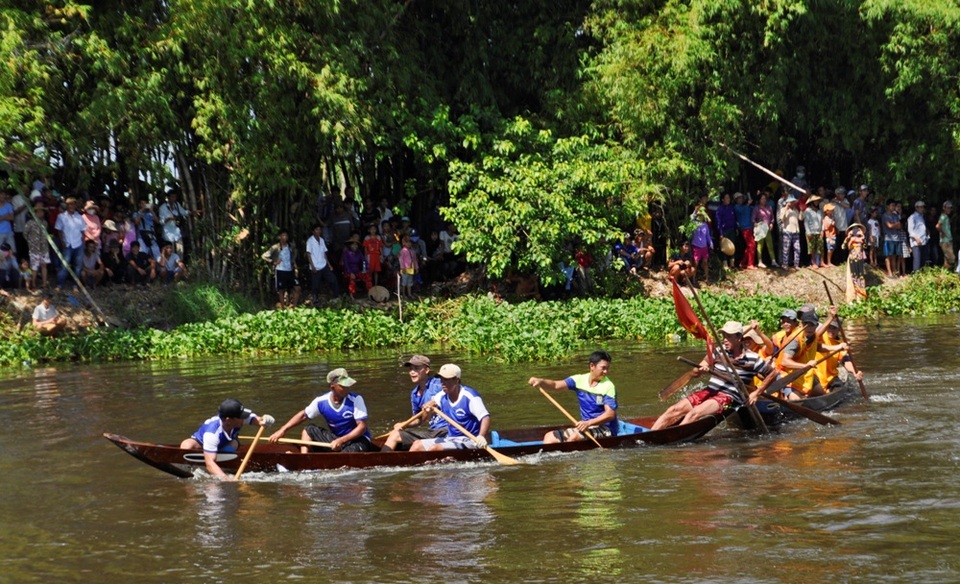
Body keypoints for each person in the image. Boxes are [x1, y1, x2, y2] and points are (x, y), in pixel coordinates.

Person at [650, 321, 773, 430]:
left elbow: (773, 373)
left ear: (739, 337)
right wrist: (700, 370)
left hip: (729, 398)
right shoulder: (719, 351)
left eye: (729, 336)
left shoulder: (752, 358)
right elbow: (696, 370)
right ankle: (652, 434)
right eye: (724, 336)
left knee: (694, 414)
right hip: (710, 391)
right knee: (673, 410)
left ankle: (673, 438)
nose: (725, 339)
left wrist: (757, 393)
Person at [268, 368, 376, 453]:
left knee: (346, 454)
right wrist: (282, 430)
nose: (348, 388)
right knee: (308, 429)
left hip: (358, 440)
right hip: (336, 440)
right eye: (344, 386)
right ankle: (303, 459)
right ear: (333, 387)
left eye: (348, 385)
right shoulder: (321, 401)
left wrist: (342, 440)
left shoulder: (356, 399)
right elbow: (303, 415)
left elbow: (362, 427)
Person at [528, 350, 618, 443]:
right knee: (549, 437)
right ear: (592, 366)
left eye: (607, 368)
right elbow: (556, 385)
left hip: (606, 429)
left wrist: (588, 423)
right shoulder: (578, 380)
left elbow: (610, 415)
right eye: (603, 368)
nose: (606, 371)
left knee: (574, 438)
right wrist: (541, 381)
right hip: (585, 426)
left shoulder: (608, 386)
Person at [179, 398, 274, 481]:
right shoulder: (212, 434)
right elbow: (210, 464)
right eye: (241, 417)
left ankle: (225, 461)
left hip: (226, 444)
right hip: (201, 444)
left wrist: (264, 420)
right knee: (186, 445)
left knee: (234, 444)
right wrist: (227, 479)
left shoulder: (237, 418)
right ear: (228, 420)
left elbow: (257, 420)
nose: (244, 419)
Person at [410, 364, 491, 451]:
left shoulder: (470, 397)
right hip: (451, 438)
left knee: (435, 448)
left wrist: (481, 436)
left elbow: (485, 417)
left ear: (457, 380)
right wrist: (427, 410)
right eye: (441, 379)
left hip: (471, 440)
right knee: (417, 445)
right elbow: (426, 418)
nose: (442, 383)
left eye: (446, 380)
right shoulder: (440, 396)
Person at [380, 355, 447, 452]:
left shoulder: (438, 384)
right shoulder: (414, 394)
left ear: (427, 370)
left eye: (416, 368)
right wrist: (404, 424)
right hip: (432, 431)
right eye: (410, 369)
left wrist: (435, 401)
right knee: (394, 435)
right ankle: (382, 462)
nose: (412, 372)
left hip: (447, 430)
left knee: (416, 445)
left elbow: (455, 389)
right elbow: (418, 419)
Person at [261, 229, 300, 308]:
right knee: (281, 290)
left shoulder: (290, 246)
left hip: (289, 270)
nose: (285, 237)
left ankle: (294, 307)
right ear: (280, 237)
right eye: (283, 235)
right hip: (280, 270)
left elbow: (295, 253)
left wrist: (294, 264)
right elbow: (264, 256)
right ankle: (282, 308)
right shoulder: (275, 247)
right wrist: (273, 261)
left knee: (297, 288)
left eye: (286, 235)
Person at [55, 197, 86, 288]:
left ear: (75, 205)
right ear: (66, 205)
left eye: (73, 204)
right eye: (69, 204)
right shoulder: (61, 216)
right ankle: (60, 284)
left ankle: (75, 285)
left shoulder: (80, 217)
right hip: (67, 243)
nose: (71, 206)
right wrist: (62, 242)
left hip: (78, 244)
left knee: (78, 266)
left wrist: (83, 243)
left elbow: (83, 231)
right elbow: (59, 231)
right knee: (64, 265)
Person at [306, 222, 339, 303]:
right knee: (315, 285)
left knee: (333, 279)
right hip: (315, 266)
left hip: (323, 264)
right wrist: (312, 266)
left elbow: (324, 253)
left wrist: (329, 264)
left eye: (319, 229)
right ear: (313, 231)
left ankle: (336, 296)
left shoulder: (322, 240)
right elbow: (308, 254)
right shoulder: (310, 241)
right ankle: (315, 299)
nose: (319, 231)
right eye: (317, 229)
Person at [24, 200, 50, 289]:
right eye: (38, 212)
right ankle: (33, 284)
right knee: (34, 267)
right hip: (34, 248)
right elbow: (25, 234)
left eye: (41, 211)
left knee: (44, 265)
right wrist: (31, 242)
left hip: (44, 247)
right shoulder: (30, 223)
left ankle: (44, 283)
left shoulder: (45, 223)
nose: (40, 213)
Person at [882, 198, 903, 278]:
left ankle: (895, 271)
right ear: (888, 206)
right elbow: (889, 226)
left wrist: (894, 225)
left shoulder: (896, 215)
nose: (894, 207)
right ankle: (889, 272)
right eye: (892, 205)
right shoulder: (885, 216)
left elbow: (900, 226)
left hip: (896, 238)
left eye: (894, 205)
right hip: (888, 238)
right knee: (888, 255)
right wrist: (895, 224)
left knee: (894, 255)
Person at [779, 194, 801, 268]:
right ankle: (785, 264)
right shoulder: (783, 209)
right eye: (791, 202)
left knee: (797, 248)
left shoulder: (795, 210)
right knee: (786, 248)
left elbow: (800, 218)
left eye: (793, 202)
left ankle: (796, 264)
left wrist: (801, 210)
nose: (792, 203)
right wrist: (786, 208)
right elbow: (782, 219)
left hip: (796, 231)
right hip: (787, 230)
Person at [803, 195, 824, 268]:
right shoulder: (808, 211)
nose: (817, 202)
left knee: (820, 247)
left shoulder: (819, 211)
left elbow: (821, 221)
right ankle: (813, 262)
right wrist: (808, 232)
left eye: (817, 201)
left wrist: (822, 230)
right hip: (811, 232)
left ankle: (821, 262)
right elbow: (806, 222)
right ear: (811, 202)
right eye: (815, 201)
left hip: (818, 231)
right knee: (812, 248)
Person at [908, 200, 929, 273]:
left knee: (923, 260)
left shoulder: (922, 217)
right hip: (916, 242)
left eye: (923, 207)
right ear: (916, 208)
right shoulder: (912, 217)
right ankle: (915, 277)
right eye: (921, 207)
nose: (922, 208)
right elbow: (910, 230)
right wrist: (916, 239)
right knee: (917, 260)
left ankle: (921, 277)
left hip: (923, 241)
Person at [937, 201, 955, 270]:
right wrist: (942, 232)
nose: (949, 209)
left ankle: (945, 275)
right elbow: (937, 226)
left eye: (950, 208)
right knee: (952, 258)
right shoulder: (943, 217)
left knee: (947, 260)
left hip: (948, 240)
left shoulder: (946, 217)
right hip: (945, 241)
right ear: (944, 208)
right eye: (947, 208)